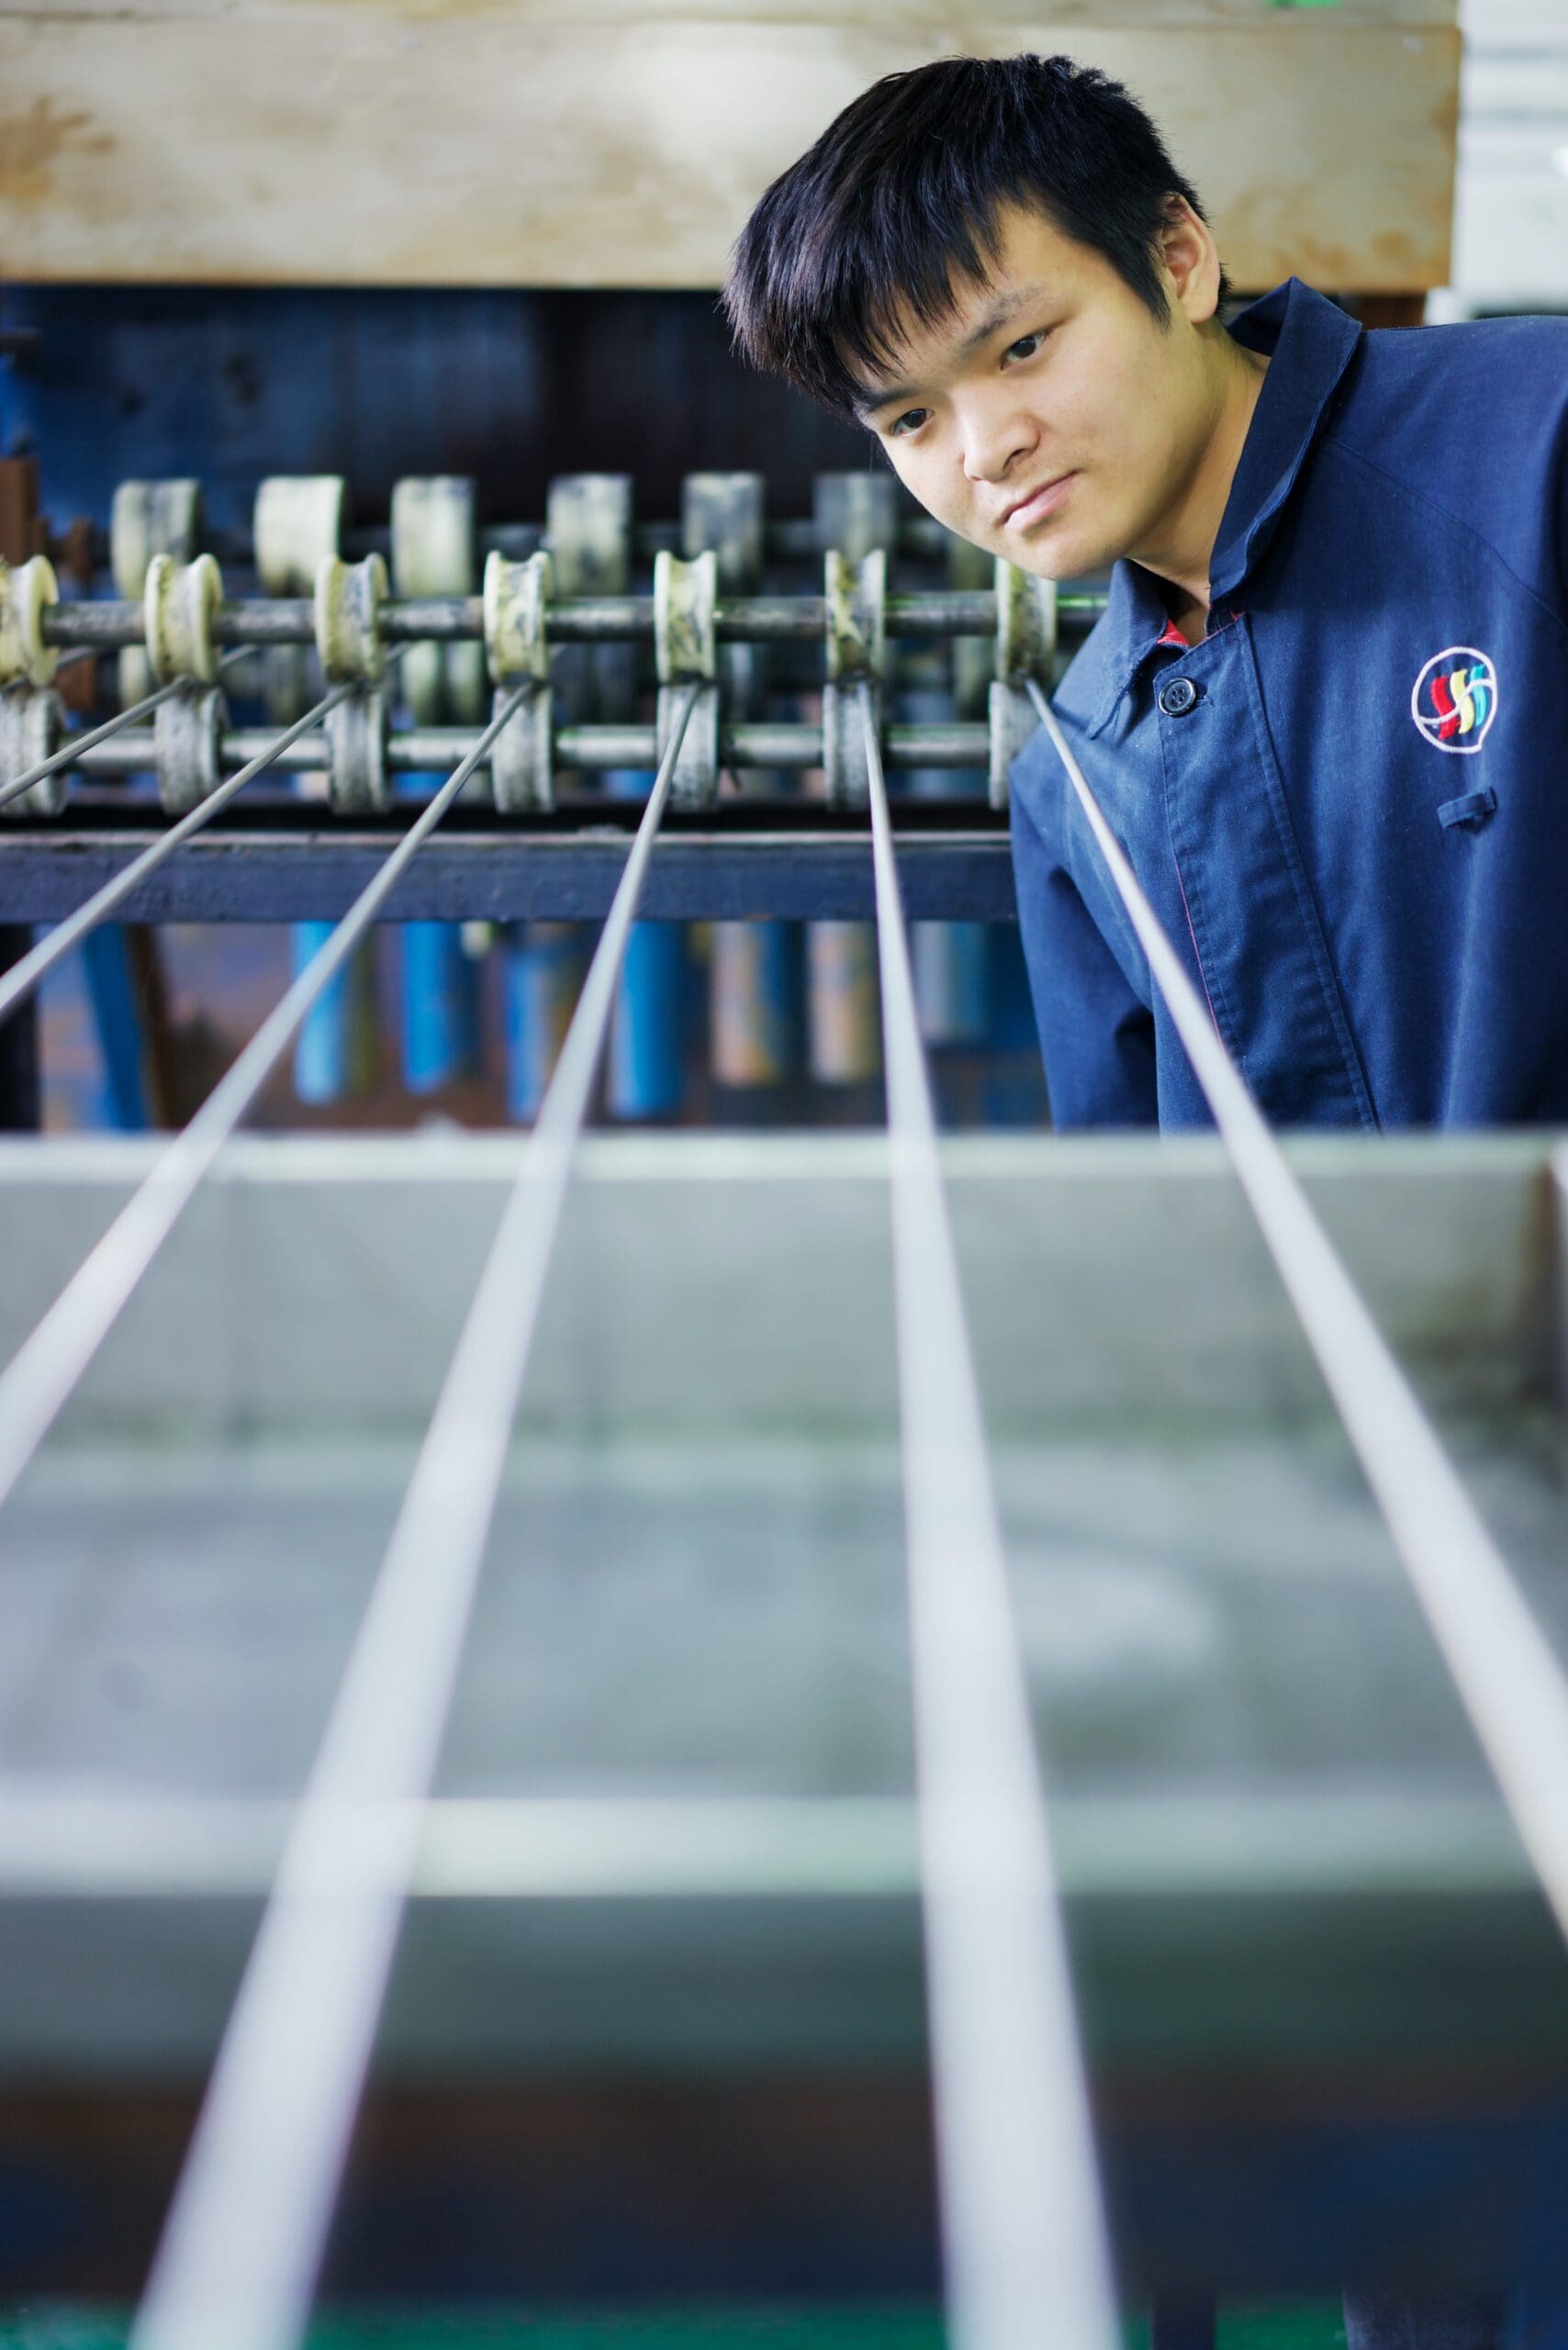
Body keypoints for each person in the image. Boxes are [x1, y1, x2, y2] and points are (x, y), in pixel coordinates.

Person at [721, 47, 1568, 2350]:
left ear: (1177, 260)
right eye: (904, 419)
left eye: (1018, 343)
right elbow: (1141, 1246)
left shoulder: (1526, 458)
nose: (978, 448)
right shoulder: (1080, 757)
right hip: (1381, 1612)